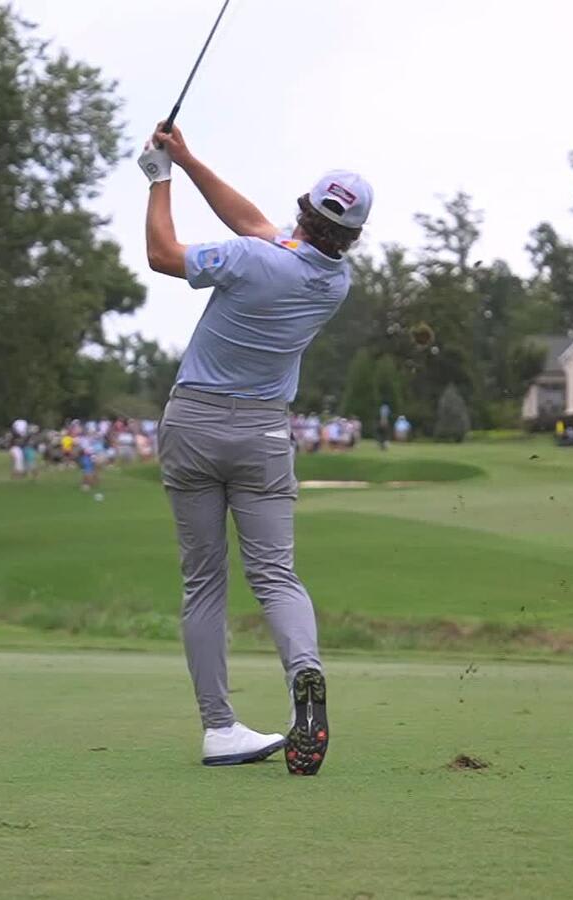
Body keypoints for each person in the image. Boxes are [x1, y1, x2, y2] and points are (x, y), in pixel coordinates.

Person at [140, 121, 371, 775]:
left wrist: (158, 180)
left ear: (303, 209)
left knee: (205, 581)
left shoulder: (249, 260)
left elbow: (163, 253)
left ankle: (219, 727)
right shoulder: (333, 281)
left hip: (193, 423)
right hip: (266, 434)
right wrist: (186, 160)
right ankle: (305, 674)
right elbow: (257, 225)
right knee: (275, 575)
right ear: (351, 237)